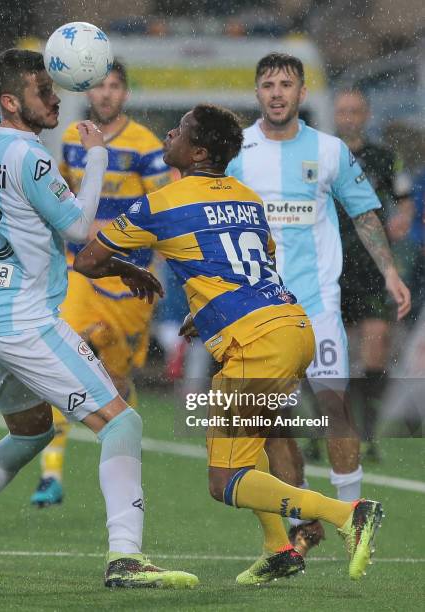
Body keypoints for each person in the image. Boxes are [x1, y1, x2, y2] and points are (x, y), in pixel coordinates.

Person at [0, 49, 197, 589]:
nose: (55, 97)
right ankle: (126, 559)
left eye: (54, 87)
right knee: (123, 421)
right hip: (24, 321)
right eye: (43, 90)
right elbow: (76, 227)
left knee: (30, 433)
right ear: (10, 101)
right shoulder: (33, 157)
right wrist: (96, 156)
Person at [73, 103, 384, 585]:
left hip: (258, 344)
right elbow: (253, 267)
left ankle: (347, 514)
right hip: (291, 326)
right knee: (252, 443)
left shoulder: (165, 201)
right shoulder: (247, 198)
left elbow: (89, 261)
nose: (169, 130)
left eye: (180, 129)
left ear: (196, 152)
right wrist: (206, 312)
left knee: (225, 482)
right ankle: (277, 547)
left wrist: (131, 270)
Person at [225, 53, 410, 556]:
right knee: (272, 426)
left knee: (333, 409)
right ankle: (306, 527)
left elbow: (365, 212)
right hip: (259, 311)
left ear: (302, 93)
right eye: (268, 84)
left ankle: (354, 521)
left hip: (317, 307)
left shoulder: (329, 151)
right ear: (257, 92)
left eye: (286, 83)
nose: (277, 92)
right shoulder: (238, 151)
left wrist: (390, 272)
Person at [30, 60, 173, 507]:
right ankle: (50, 474)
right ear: (89, 92)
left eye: (115, 87)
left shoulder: (146, 146)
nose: (106, 95)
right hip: (79, 273)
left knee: (114, 376)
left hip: (128, 279)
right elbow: (64, 193)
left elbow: (161, 210)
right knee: (62, 361)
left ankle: (123, 450)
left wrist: (107, 230)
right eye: (100, 87)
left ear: (125, 95)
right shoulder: (74, 139)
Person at [334, 88, 414, 461]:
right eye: (343, 111)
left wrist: (402, 219)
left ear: (366, 115)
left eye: (355, 111)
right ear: (336, 116)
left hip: (370, 267)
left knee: (375, 347)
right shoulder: (323, 156)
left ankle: (367, 436)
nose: (349, 117)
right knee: (320, 356)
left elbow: (404, 198)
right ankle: (325, 435)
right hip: (328, 264)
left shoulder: (384, 157)